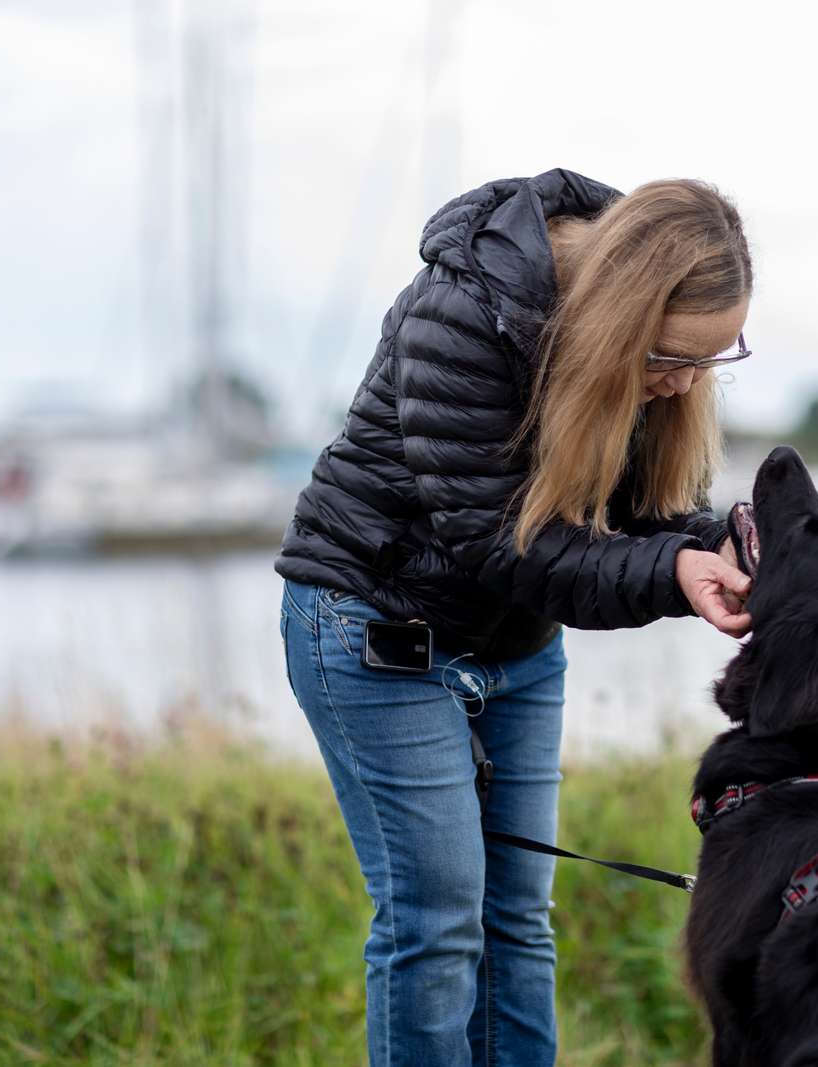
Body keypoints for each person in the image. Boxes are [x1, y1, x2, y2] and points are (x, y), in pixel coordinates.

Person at [275, 167, 754, 1066]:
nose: (687, 386)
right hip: (375, 633)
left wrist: (725, 537)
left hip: (516, 648)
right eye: (674, 356)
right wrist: (674, 571)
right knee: (439, 925)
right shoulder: (462, 315)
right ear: (620, 314)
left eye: (712, 361)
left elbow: (638, 517)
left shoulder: (650, 371)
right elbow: (505, 546)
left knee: (519, 924)